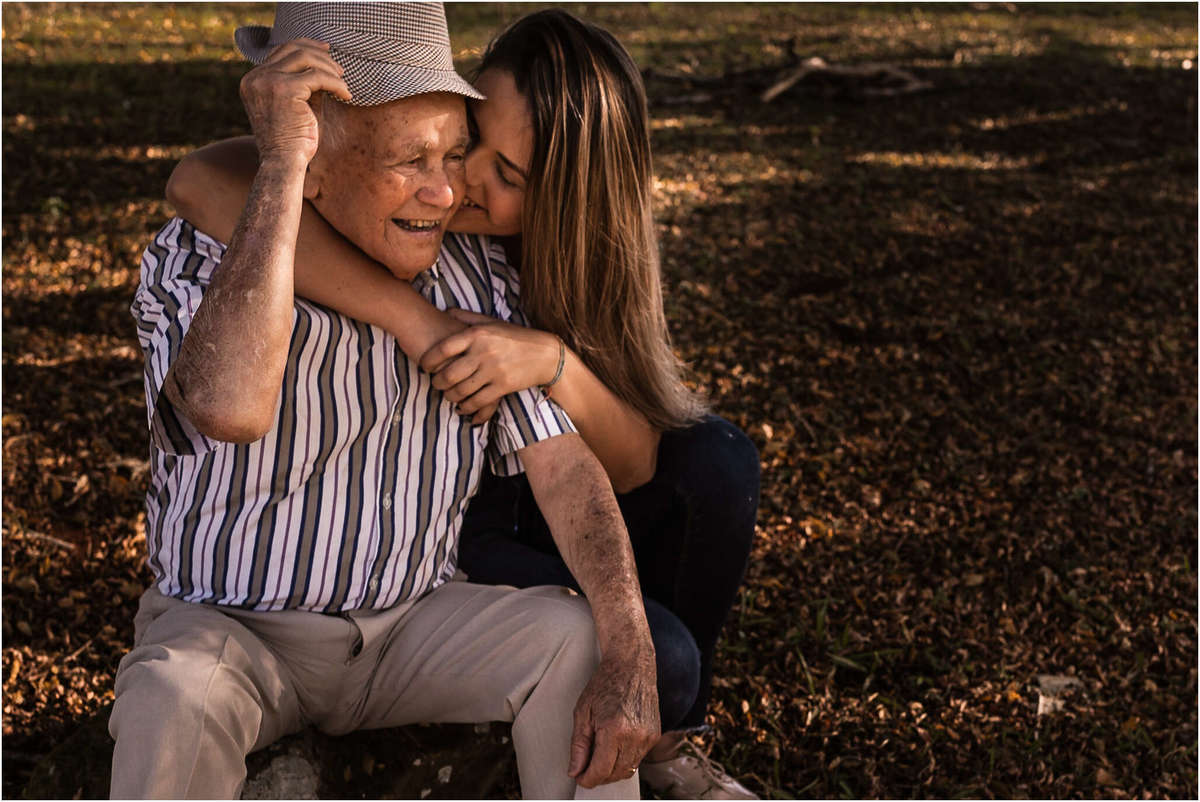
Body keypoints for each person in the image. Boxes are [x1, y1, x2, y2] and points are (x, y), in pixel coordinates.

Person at [168, 9, 760, 799]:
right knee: (657, 648)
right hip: (447, 505)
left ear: (565, 198)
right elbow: (198, 180)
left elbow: (625, 465)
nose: (459, 180)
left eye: (504, 173)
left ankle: (669, 747)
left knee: (716, 462)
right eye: (469, 131)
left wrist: (546, 361)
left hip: (512, 480)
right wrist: (418, 319)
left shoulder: (533, 261)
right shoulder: (389, 204)